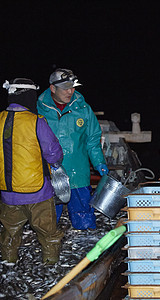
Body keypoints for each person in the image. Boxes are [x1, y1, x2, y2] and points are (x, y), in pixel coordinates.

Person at [0, 78, 64, 264]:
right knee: (48, 231)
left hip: (7, 192)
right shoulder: (36, 121)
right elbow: (53, 153)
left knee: (9, 232)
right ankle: (51, 264)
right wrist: (56, 163)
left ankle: (8, 262)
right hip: (37, 192)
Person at [37, 68, 108, 230]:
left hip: (78, 172)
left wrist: (99, 162)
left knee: (84, 219)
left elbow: (92, 139)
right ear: (53, 88)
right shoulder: (39, 109)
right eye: (66, 88)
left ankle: (87, 250)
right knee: (47, 223)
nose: (71, 91)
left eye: (73, 87)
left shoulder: (83, 109)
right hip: (48, 174)